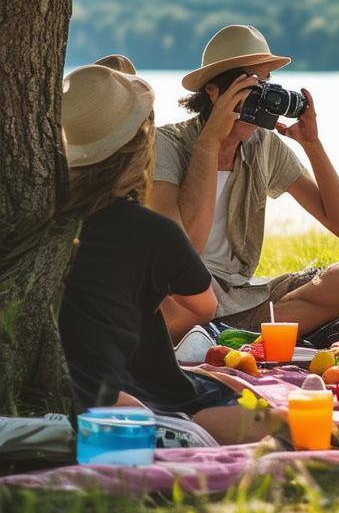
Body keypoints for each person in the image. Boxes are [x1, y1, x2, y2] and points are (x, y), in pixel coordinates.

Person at [57, 64, 282, 443]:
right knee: (230, 401)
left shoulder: (44, 220)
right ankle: (172, 428)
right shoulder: (151, 230)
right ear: (140, 149)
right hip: (126, 381)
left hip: (62, 376)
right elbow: (204, 307)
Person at [150, 25, 339, 343]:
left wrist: (312, 144)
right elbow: (185, 250)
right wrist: (210, 143)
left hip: (241, 297)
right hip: (183, 296)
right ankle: (270, 335)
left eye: (266, 83)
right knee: (173, 307)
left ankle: (223, 339)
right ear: (213, 92)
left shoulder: (263, 145)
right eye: (252, 86)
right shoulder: (166, 145)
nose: (263, 97)